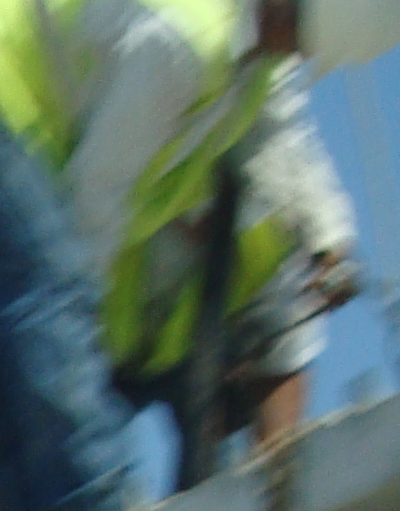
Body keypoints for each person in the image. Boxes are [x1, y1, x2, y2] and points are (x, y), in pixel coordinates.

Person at [0, 0, 400, 511]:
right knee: (52, 297)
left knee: (32, 312)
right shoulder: (183, 38)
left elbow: (279, 133)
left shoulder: (252, 59)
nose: (294, 55)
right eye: (295, 39)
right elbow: (96, 198)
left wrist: (330, 237)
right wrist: (66, 312)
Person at [110, 57, 365, 467]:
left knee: (225, 467)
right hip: (109, 335)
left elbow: (286, 132)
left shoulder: (271, 247)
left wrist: (333, 244)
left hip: (197, 336)